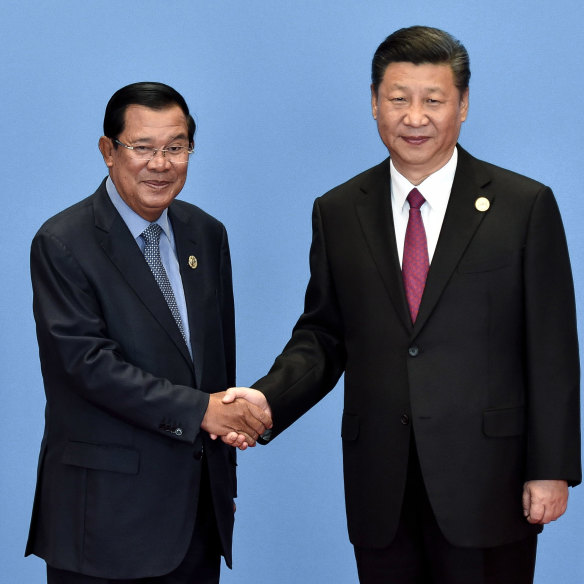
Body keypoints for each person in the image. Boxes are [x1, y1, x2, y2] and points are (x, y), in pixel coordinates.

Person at [223, 26, 581, 583]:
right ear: (373, 104)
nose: (415, 117)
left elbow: (552, 347)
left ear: (462, 106)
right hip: (380, 485)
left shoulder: (523, 205)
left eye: (433, 100)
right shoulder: (339, 210)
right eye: (398, 99)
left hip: (489, 480)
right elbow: (324, 333)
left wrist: (552, 469)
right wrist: (268, 399)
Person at [25, 81, 271, 584]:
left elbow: (217, 364)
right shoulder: (62, 242)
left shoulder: (207, 233)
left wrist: (223, 480)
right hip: (105, 525)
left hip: (197, 519)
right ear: (107, 151)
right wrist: (202, 411)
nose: (161, 163)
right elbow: (88, 367)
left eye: (176, 147)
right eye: (143, 148)